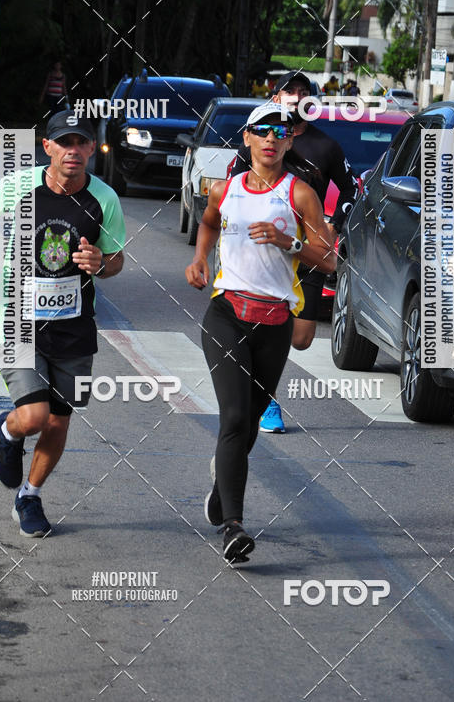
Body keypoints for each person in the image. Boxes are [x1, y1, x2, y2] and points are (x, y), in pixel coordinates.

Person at [186, 101, 335, 562]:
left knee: (249, 423)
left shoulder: (300, 194)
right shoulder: (224, 189)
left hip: (274, 323)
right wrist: (199, 258)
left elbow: (329, 259)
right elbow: (208, 223)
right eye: (263, 130)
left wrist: (289, 242)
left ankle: (221, 488)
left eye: (280, 132)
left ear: (289, 142)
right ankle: (233, 527)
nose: (271, 138)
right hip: (227, 315)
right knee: (234, 418)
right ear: (247, 138)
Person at [0, 111, 125, 538]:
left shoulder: (104, 199)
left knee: (59, 421)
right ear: (48, 147)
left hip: (74, 329)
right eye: (64, 142)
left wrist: (100, 263)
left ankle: (30, 495)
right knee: (35, 416)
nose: (72, 150)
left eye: (80, 142)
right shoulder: (21, 186)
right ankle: (9, 430)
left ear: (92, 148)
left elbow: (116, 259)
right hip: (19, 320)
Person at [227, 71, 358, 432]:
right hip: (263, 251)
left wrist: (333, 225)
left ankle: (258, 381)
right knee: (264, 326)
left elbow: (351, 190)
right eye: (289, 90)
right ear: (276, 97)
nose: (296, 96)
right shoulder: (257, 143)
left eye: (303, 91)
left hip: (307, 253)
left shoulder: (326, 146)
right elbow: (232, 189)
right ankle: (266, 398)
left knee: (300, 338)